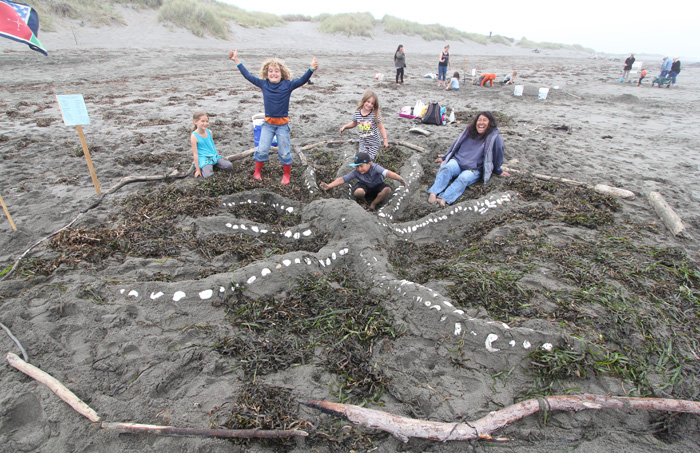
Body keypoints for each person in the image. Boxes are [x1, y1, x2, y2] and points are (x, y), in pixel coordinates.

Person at [228, 48, 318, 184]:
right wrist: (236, 60)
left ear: (282, 73)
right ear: (266, 73)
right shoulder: (264, 84)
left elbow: (301, 81)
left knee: (285, 152)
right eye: (270, 71)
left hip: (283, 126)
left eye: (276, 71)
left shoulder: (287, 85)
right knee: (262, 150)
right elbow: (248, 76)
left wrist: (311, 69)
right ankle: (257, 172)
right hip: (268, 125)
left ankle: (286, 175)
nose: (273, 73)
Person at [428, 112, 510, 207]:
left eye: (484, 120)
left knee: (463, 178)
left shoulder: (494, 137)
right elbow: (455, 144)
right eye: (479, 120)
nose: (481, 123)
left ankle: (444, 198)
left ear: (490, 123)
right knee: (447, 168)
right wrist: (444, 158)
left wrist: (498, 170)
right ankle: (433, 193)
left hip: (474, 168)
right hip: (458, 161)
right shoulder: (469, 131)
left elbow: (498, 154)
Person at [320, 152, 408, 211]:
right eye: (357, 167)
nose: (359, 169)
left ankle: (373, 204)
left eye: (361, 166)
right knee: (358, 192)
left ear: (369, 163)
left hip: (378, 186)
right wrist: (329, 186)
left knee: (387, 189)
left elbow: (387, 173)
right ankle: (364, 201)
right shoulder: (356, 172)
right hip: (364, 186)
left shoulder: (375, 168)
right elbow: (343, 179)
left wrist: (399, 179)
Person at [339, 90, 388, 161]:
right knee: (362, 159)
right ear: (364, 100)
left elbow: (381, 128)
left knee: (369, 160)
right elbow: (354, 123)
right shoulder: (357, 114)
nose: (369, 104)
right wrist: (345, 127)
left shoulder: (374, 115)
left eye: (372, 103)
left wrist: (385, 140)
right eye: (368, 102)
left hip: (373, 143)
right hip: (363, 142)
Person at [190, 111, 233, 179]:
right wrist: (198, 170)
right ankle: (206, 167)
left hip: (213, 156)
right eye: (202, 121)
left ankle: (214, 164)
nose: (205, 123)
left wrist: (216, 156)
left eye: (207, 121)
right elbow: (195, 154)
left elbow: (211, 146)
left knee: (229, 165)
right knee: (208, 176)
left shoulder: (209, 132)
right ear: (195, 122)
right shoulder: (194, 136)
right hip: (203, 159)